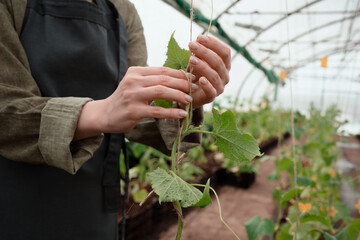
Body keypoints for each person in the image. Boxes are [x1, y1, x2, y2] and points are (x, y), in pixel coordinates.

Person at [0, 0, 231, 239]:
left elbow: (136, 111)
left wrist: (186, 98)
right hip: (15, 199)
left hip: (97, 199)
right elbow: (5, 108)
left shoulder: (124, 11)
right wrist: (102, 112)